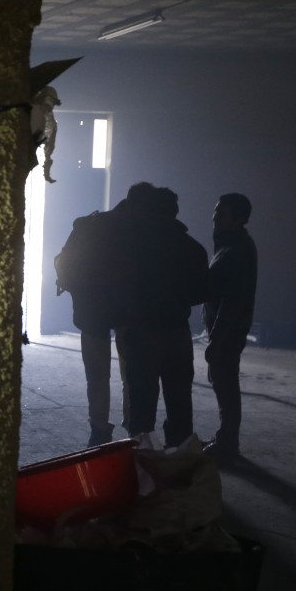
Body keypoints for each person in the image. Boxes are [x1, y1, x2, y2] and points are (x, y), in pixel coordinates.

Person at [55, 183, 154, 446]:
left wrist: (80, 296)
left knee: (97, 375)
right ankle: (131, 428)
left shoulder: (91, 225)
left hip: (94, 313)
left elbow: (64, 263)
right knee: (129, 375)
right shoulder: (141, 232)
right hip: (127, 314)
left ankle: (99, 429)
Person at [114, 186, 210, 449]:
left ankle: (142, 463)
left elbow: (119, 284)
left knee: (141, 404)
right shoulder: (192, 248)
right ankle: (180, 460)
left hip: (141, 331)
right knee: (179, 401)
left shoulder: (134, 246)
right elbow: (202, 291)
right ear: (175, 213)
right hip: (177, 332)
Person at [202, 193, 257, 462]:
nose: (214, 217)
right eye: (215, 212)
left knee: (225, 384)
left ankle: (227, 443)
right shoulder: (228, 245)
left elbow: (233, 302)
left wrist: (218, 338)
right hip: (223, 330)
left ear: (238, 219)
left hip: (227, 332)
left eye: (221, 214)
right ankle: (225, 439)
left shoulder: (237, 251)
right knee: (221, 380)